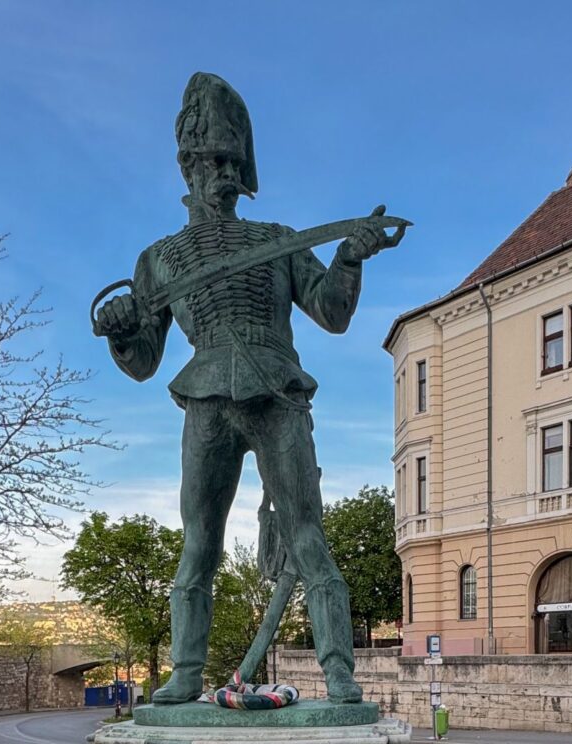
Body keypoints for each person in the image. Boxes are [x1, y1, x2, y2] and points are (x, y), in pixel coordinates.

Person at [93, 72, 406, 705]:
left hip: (278, 393)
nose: (223, 174)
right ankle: (186, 671)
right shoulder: (159, 259)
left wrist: (349, 257)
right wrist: (119, 330)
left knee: (307, 537)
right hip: (206, 399)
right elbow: (144, 361)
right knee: (199, 543)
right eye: (211, 162)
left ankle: (339, 671)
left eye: (231, 163)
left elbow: (333, 312)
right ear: (188, 169)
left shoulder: (277, 240)